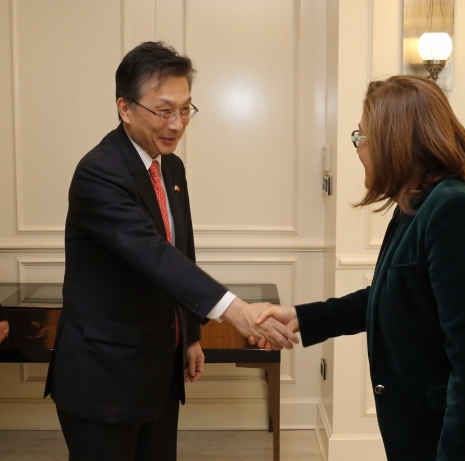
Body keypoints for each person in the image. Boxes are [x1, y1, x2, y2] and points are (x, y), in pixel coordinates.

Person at [254, 75, 465, 460]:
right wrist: (302, 317)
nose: (358, 148)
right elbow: (395, 295)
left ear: (392, 141)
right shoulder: (418, 207)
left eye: (361, 136)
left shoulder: (457, 214)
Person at [43, 41, 297, 461]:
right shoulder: (99, 172)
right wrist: (235, 310)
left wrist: (190, 335)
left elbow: (180, 251)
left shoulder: (169, 166)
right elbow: (152, 256)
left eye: (185, 110)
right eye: (164, 111)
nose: (176, 124)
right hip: (104, 377)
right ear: (125, 108)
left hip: (158, 369)